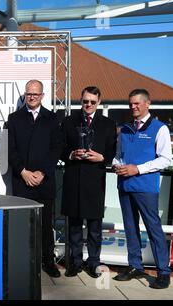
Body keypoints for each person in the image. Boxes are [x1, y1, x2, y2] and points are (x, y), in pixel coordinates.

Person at [112, 89, 172, 289]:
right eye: (131, 104)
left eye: (137, 103)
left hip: (145, 188)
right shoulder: (126, 128)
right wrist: (115, 164)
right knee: (130, 228)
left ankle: (163, 272)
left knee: (153, 229)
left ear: (148, 104)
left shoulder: (159, 128)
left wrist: (137, 169)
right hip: (125, 185)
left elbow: (165, 159)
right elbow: (118, 154)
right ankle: (135, 266)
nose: (133, 107)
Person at [6, 79, 63, 278]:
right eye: (29, 93)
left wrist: (43, 172)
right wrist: (23, 171)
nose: (32, 97)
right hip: (22, 181)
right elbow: (9, 149)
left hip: (44, 181)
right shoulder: (13, 119)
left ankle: (48, 261)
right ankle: (23, 262)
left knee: (46, 224)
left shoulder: (53, 118)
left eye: (36, 94)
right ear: (25, 94)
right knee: (22, 224)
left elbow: (57, 148)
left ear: (42, 96)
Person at [60, 86, 117, 278]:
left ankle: (94, 262)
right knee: (74, 225)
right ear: (81, 100)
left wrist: (101, 157)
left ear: (99, 102)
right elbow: (59, 148)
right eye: (85, 101)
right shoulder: (68, 122)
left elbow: (113, 152)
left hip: (95, 181)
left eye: (93, 102)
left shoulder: (108, 124)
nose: (89, 105)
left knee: (94, 227)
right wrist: (70, 154)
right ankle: (75, 262)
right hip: (74, 179)